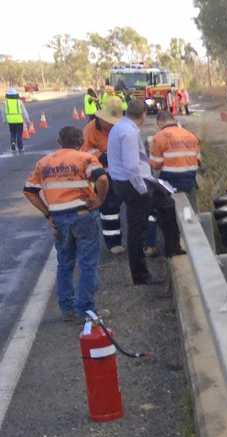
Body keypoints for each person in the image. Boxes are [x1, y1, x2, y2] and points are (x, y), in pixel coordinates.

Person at [22, 126, 110, 320]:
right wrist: (99, 199)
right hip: (83, 216)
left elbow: (29, 191)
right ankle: (86, 311)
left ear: (59, 142)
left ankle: (68, 309)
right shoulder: (85, 158)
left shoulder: (44, 162)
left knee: (65, 264)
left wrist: (48, 214)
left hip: (59, 219)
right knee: (87, 263)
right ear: (80, 142)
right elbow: (102, 179)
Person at [107, 99, 183, 285]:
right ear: (143, 115)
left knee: (166, 204)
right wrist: (143, 190)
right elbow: (132, 166)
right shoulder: (129, 132)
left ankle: (172, 248)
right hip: (133, 184)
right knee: (137, 230)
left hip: (124, 181)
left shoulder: (119, 127)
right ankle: (140, 276)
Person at [82, 96, 125, 254]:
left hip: (122, 172)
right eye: (110, 121)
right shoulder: (90, 130)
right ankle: (113, 243)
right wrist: (101, 156)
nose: (112, 124)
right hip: (103, 174)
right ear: (101, 117)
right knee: (109, 209)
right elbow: (84, 152)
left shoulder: (121, 127)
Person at [149, 111, 201, 209]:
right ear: (174, 120)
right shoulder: (191, 135)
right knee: (192, 209)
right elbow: (198, 160)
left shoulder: (158, 137)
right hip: (190, 179)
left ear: (159, 122)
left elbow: (156, 165)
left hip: (171, 180)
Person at [5, 87, 31, 155]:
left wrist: (4, 120)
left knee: (12, 133)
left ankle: (13, 145)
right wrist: (27, 119)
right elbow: (24, 111)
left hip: (10, 121)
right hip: (19, 120)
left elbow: (4, 113)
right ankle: (20, 147)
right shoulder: (19, 101)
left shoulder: (6, 102)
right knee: (19, 134)